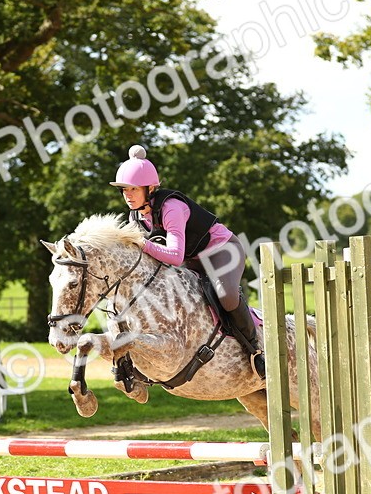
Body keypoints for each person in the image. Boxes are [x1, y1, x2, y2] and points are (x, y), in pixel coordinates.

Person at [110, 145, 265, 377]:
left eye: (133, 189)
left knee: (226, 295)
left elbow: (174, 256)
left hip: (222, 251)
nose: (128, 195)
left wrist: (142, 244)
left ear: (150, 188)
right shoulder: (136, 216)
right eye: (124, 190)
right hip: (194, 260)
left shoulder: (172, 208)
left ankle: (256, 351)